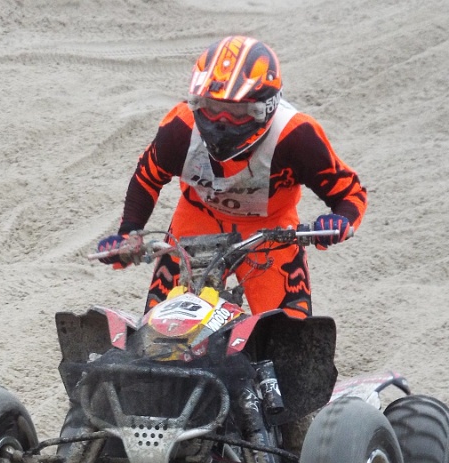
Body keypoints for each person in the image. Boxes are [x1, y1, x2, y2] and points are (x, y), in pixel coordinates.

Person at [97, 36, 367, 318]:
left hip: (270, 230)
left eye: (237, 111)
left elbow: (350, 193)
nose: (221, 123)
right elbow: (147, 178)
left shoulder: (297, 137)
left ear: (267, 107)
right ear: (196, 101)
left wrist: (341, 221)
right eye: (212, 108)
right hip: (198, 220)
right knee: (164, 329)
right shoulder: (179, 129)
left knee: (290, 336)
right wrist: (128, 234)